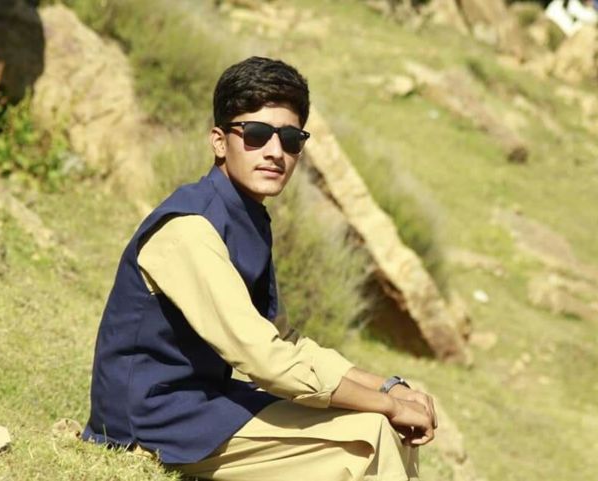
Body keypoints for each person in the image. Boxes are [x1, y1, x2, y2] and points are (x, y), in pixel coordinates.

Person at [82, 56, 437, 481]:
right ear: (219, 141)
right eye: (255, 134)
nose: (275, 152)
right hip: (151, 421)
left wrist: (386, 387)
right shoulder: (189, 228)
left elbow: (283, 339)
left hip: (205, 404)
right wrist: (388, 405)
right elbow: (265, 359)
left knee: (386, 425)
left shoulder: (248, 218)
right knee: (370, 435)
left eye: (290, 139)